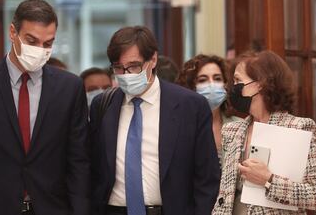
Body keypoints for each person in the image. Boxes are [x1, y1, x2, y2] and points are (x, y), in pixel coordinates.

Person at [0, 0, 90, 215]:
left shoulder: (70, 88)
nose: (40, 50)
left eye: (48, 43)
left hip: (53, 207)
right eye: (31, 41)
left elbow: (79, 161)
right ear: (13, 33)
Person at [89, 26, 220, 215]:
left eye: (134, 66)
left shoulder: (190, 106)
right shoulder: (103, 105)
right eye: (118, 68)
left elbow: (207, 177)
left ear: (153, 59)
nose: (126, 75)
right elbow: (94, 171)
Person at [212, 50, 316, 214]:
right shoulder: (231, 130)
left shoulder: (298, 127)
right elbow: (224, 195)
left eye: (238, 80)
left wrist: (269, 180)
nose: (232, 87)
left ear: (260, 83)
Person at [176, 54, 240, 165]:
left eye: (217, 79)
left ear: (226, 84)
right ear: (190, 86)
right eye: (202, 80)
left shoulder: (240, 125)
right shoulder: (179, 128)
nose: (211, 84)